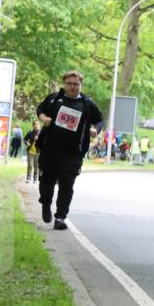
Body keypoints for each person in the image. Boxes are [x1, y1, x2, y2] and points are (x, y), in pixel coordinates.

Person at [36, 71, 105, 230]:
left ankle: (60, 217)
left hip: (73, 153)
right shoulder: (54, 99)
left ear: (81, 85)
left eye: (76, 84)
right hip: (50, 150)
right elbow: (40, 109)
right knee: (47, 181)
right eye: (69, 84)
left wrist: (95, 129)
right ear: (64, 84)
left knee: (67, 185)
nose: (73, 87)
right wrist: (43, 119)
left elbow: (101, 120)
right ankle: (46, 203)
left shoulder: (87, 104)